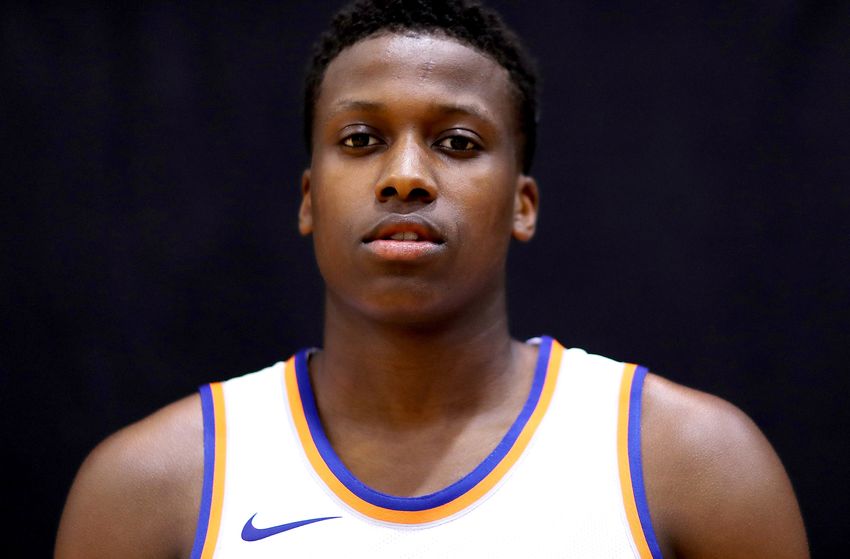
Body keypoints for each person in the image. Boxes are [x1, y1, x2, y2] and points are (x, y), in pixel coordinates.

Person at [55, 0, 810, 557]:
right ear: (310, 199)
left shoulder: (693, 465)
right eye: (361, 139)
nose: (406, 176)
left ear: (522, 204)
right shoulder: (152, 489)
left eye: (457, 141)